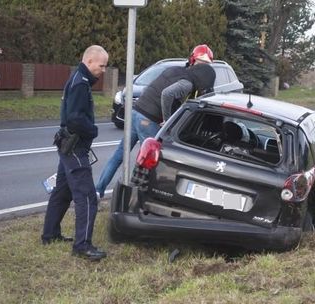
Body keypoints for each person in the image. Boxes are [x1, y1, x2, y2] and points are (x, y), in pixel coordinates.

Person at [95, 44, 215, 198]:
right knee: (147, 162)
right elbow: (167, 94)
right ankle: (133, 198)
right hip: (148, 119)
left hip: (136, 112)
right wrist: (166, 119)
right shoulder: (187, 82)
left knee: (119, 155)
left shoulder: (174, 71)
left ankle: (98, 191)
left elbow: (153, 88)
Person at [42, 45, 109, 261]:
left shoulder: (77, 78)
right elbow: (75, 119)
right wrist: (93, 130)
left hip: (67, 145)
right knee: (87, 197)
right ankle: (83, 245)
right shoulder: (80, 84)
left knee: (62, 191)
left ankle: (50, 234)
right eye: (102, 65)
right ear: (89, 61)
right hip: (75, 147)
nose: (104, 70)